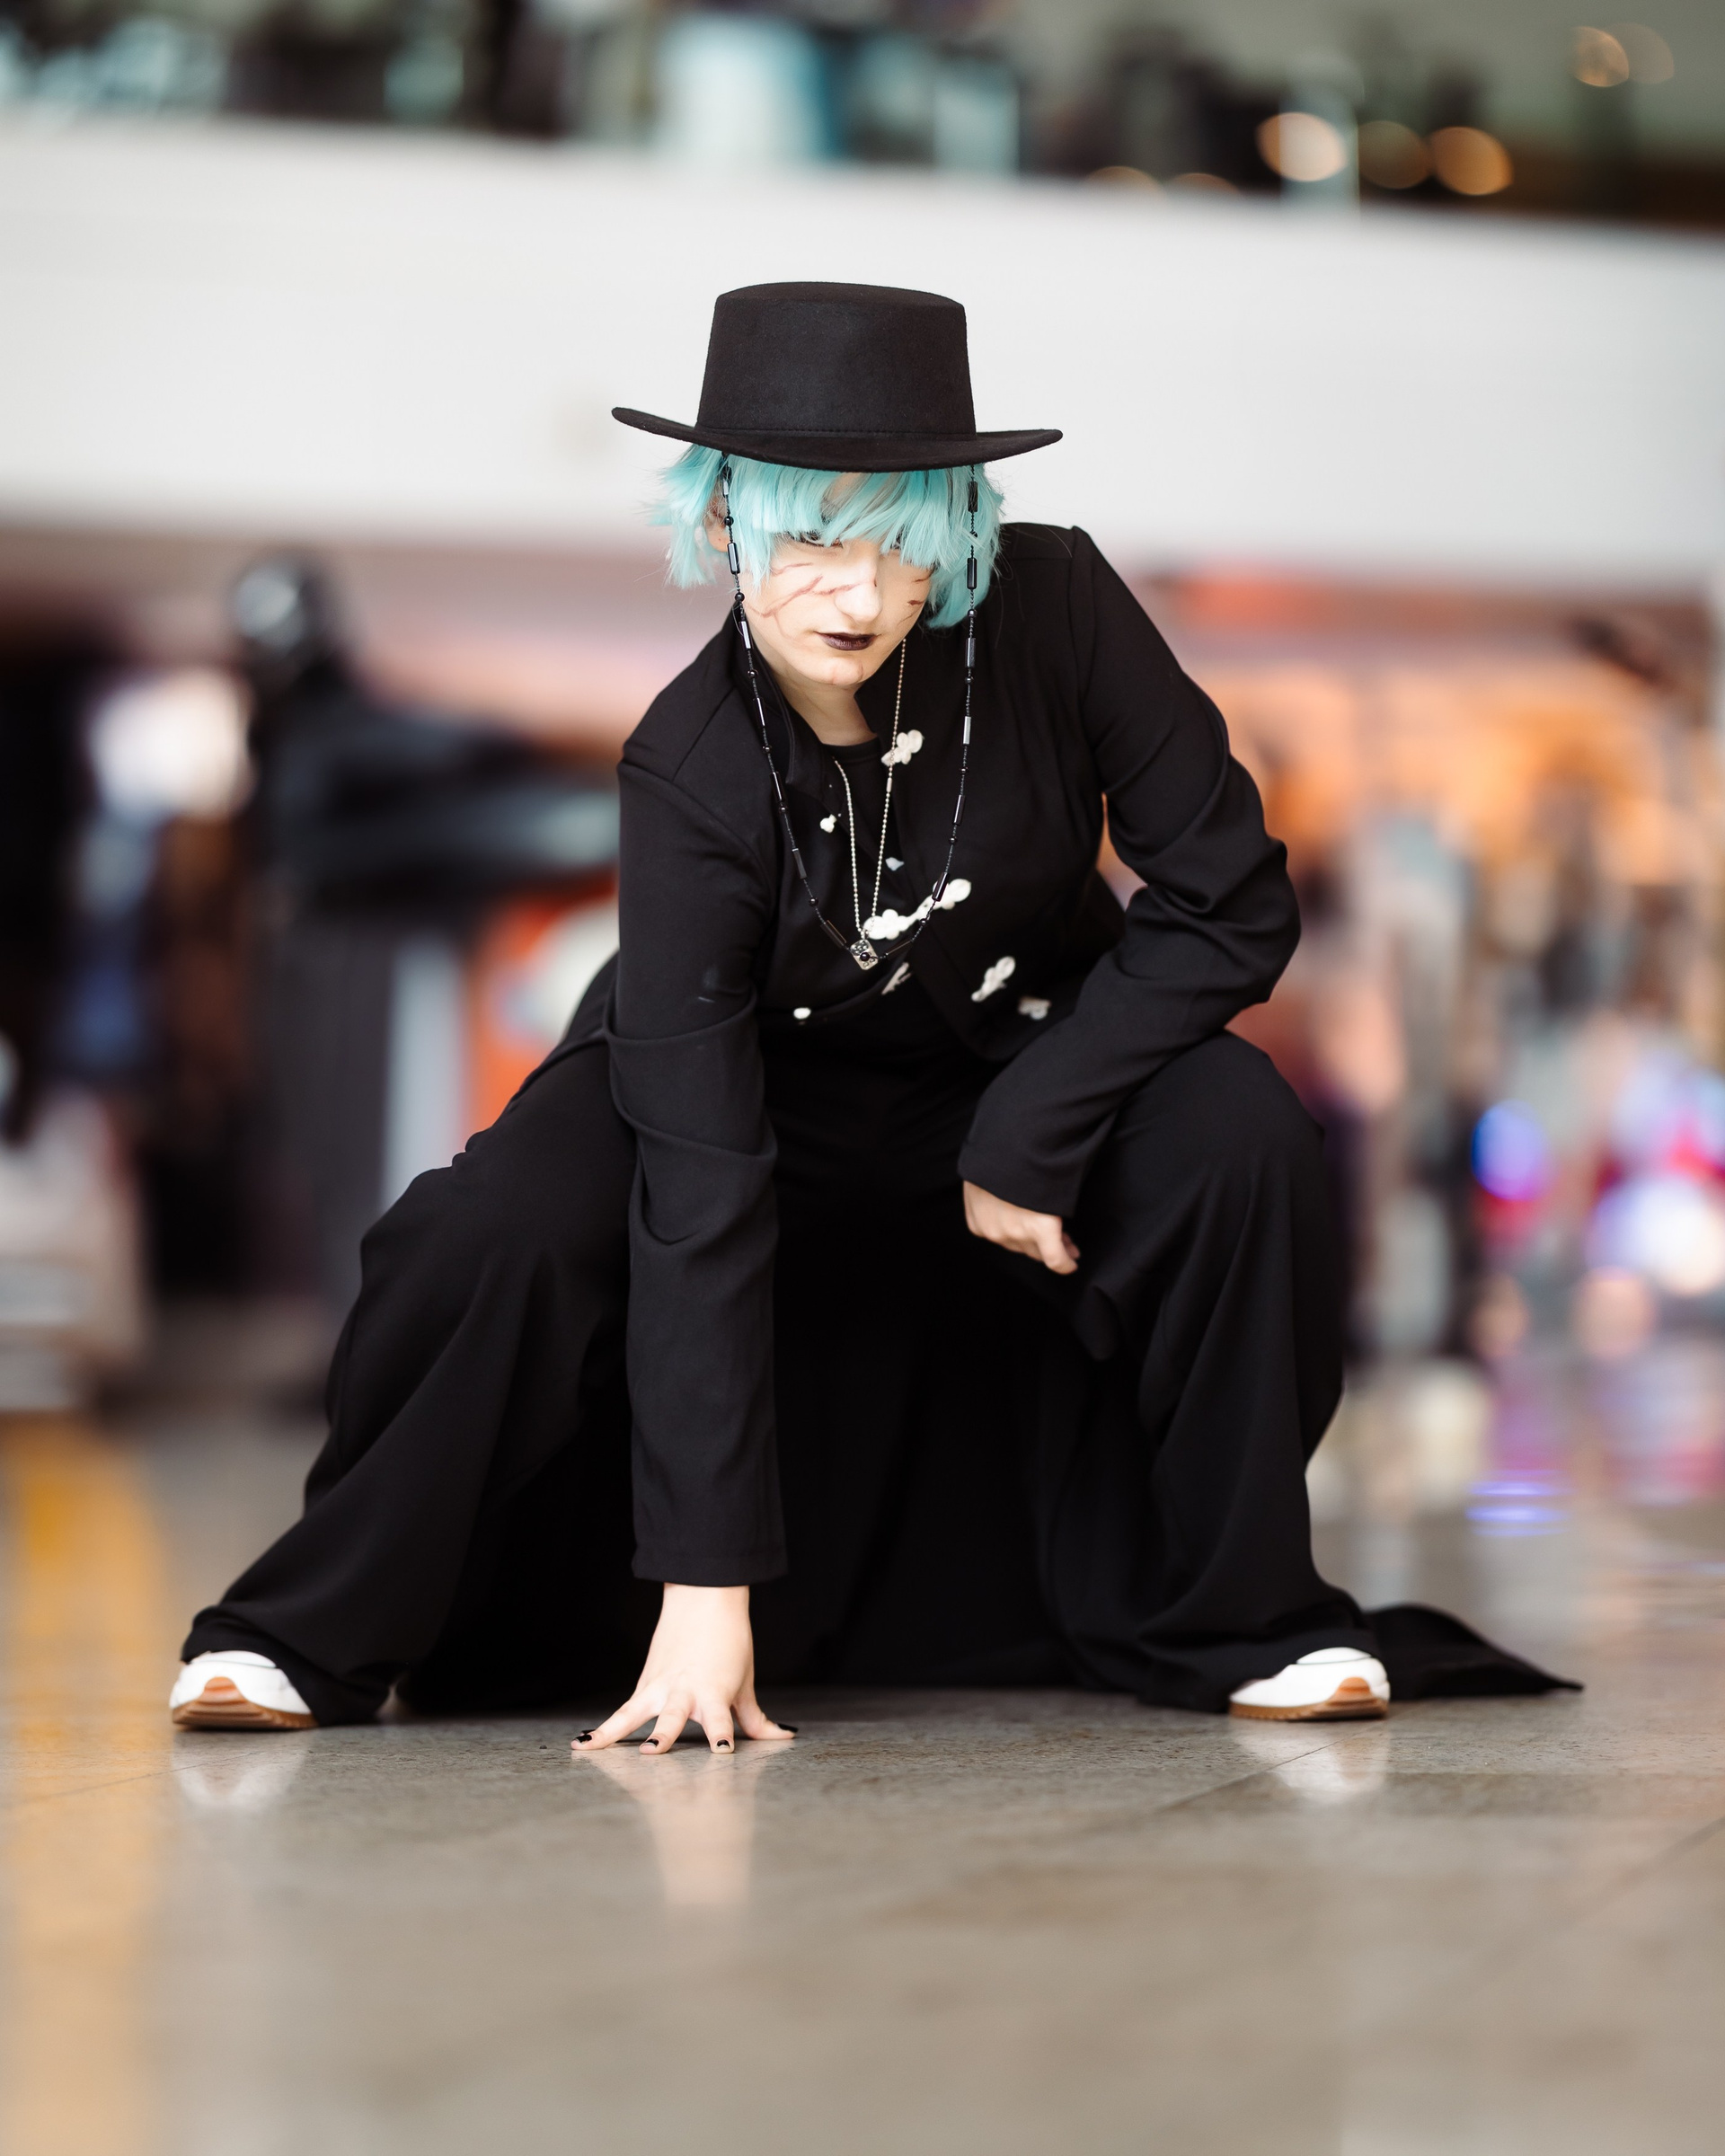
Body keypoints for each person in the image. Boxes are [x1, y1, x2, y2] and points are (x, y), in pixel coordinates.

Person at [172, 283, 1569, 1746]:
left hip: (1020, 1050)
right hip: (733, 1080)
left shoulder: (1060, 608)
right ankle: (305, 1635)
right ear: (726, 525)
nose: (860, 597)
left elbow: (1231, 901)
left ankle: (1248, 1619)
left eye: (907, 545)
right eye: (815, 542)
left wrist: (1035, 1123)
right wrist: (705, 1588)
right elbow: (701, 1179)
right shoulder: (687, 768)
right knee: (492, 1227)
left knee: (1240, 1133)